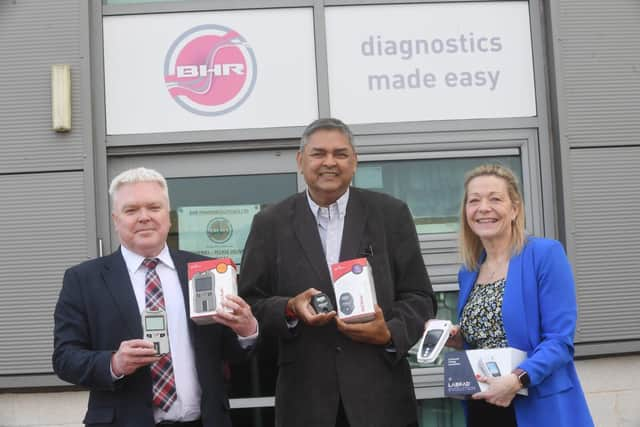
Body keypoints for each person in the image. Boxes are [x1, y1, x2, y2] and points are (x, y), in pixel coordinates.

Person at [239, 118, 435, 427]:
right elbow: (249, 301)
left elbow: (420, 297)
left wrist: (391, 332)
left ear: (354, 161)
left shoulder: (390, 214)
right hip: (305, 400)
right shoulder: (270, 222)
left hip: (380, 398)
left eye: (340, 154)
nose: (329, 162)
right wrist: (289, 308)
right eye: (318, 154)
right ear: (300, 160)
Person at [52, 167, 258, 427]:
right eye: (131, 210)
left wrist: (247, 331)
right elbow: (64, 358)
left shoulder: (207, 271)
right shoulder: (83, 279)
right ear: (116, 220)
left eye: (154, 207)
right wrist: (114, 363)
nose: (144, 217)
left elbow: (232, 354)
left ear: (169, 217)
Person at [446, 164, 594, 427]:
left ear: (514, 209)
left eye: (495, 199)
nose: (483, 208)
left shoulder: (545, 255)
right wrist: (459, 339)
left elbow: (560, 342)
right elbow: (488, 339)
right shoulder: (468, 271)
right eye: (474, 200)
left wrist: (516, 379)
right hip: (484, 405)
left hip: (537, 405)